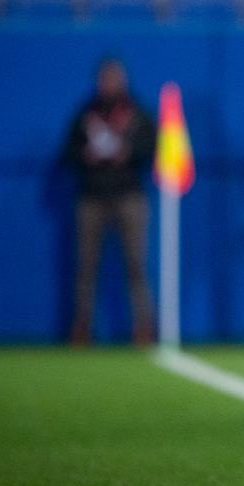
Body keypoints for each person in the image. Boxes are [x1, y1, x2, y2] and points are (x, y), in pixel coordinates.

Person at [61, 57, 157, 346]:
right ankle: (82, 328)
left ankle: (144, 329)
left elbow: (151, 147)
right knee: (87, 267)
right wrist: (87, 156)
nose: (110, 83)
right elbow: (69, 153)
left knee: (136, 265)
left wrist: (128, 153)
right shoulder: (86, 113)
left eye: (115, 78)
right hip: (92, 196)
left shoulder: (137, 112)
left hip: (129, 194)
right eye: (106, 78)